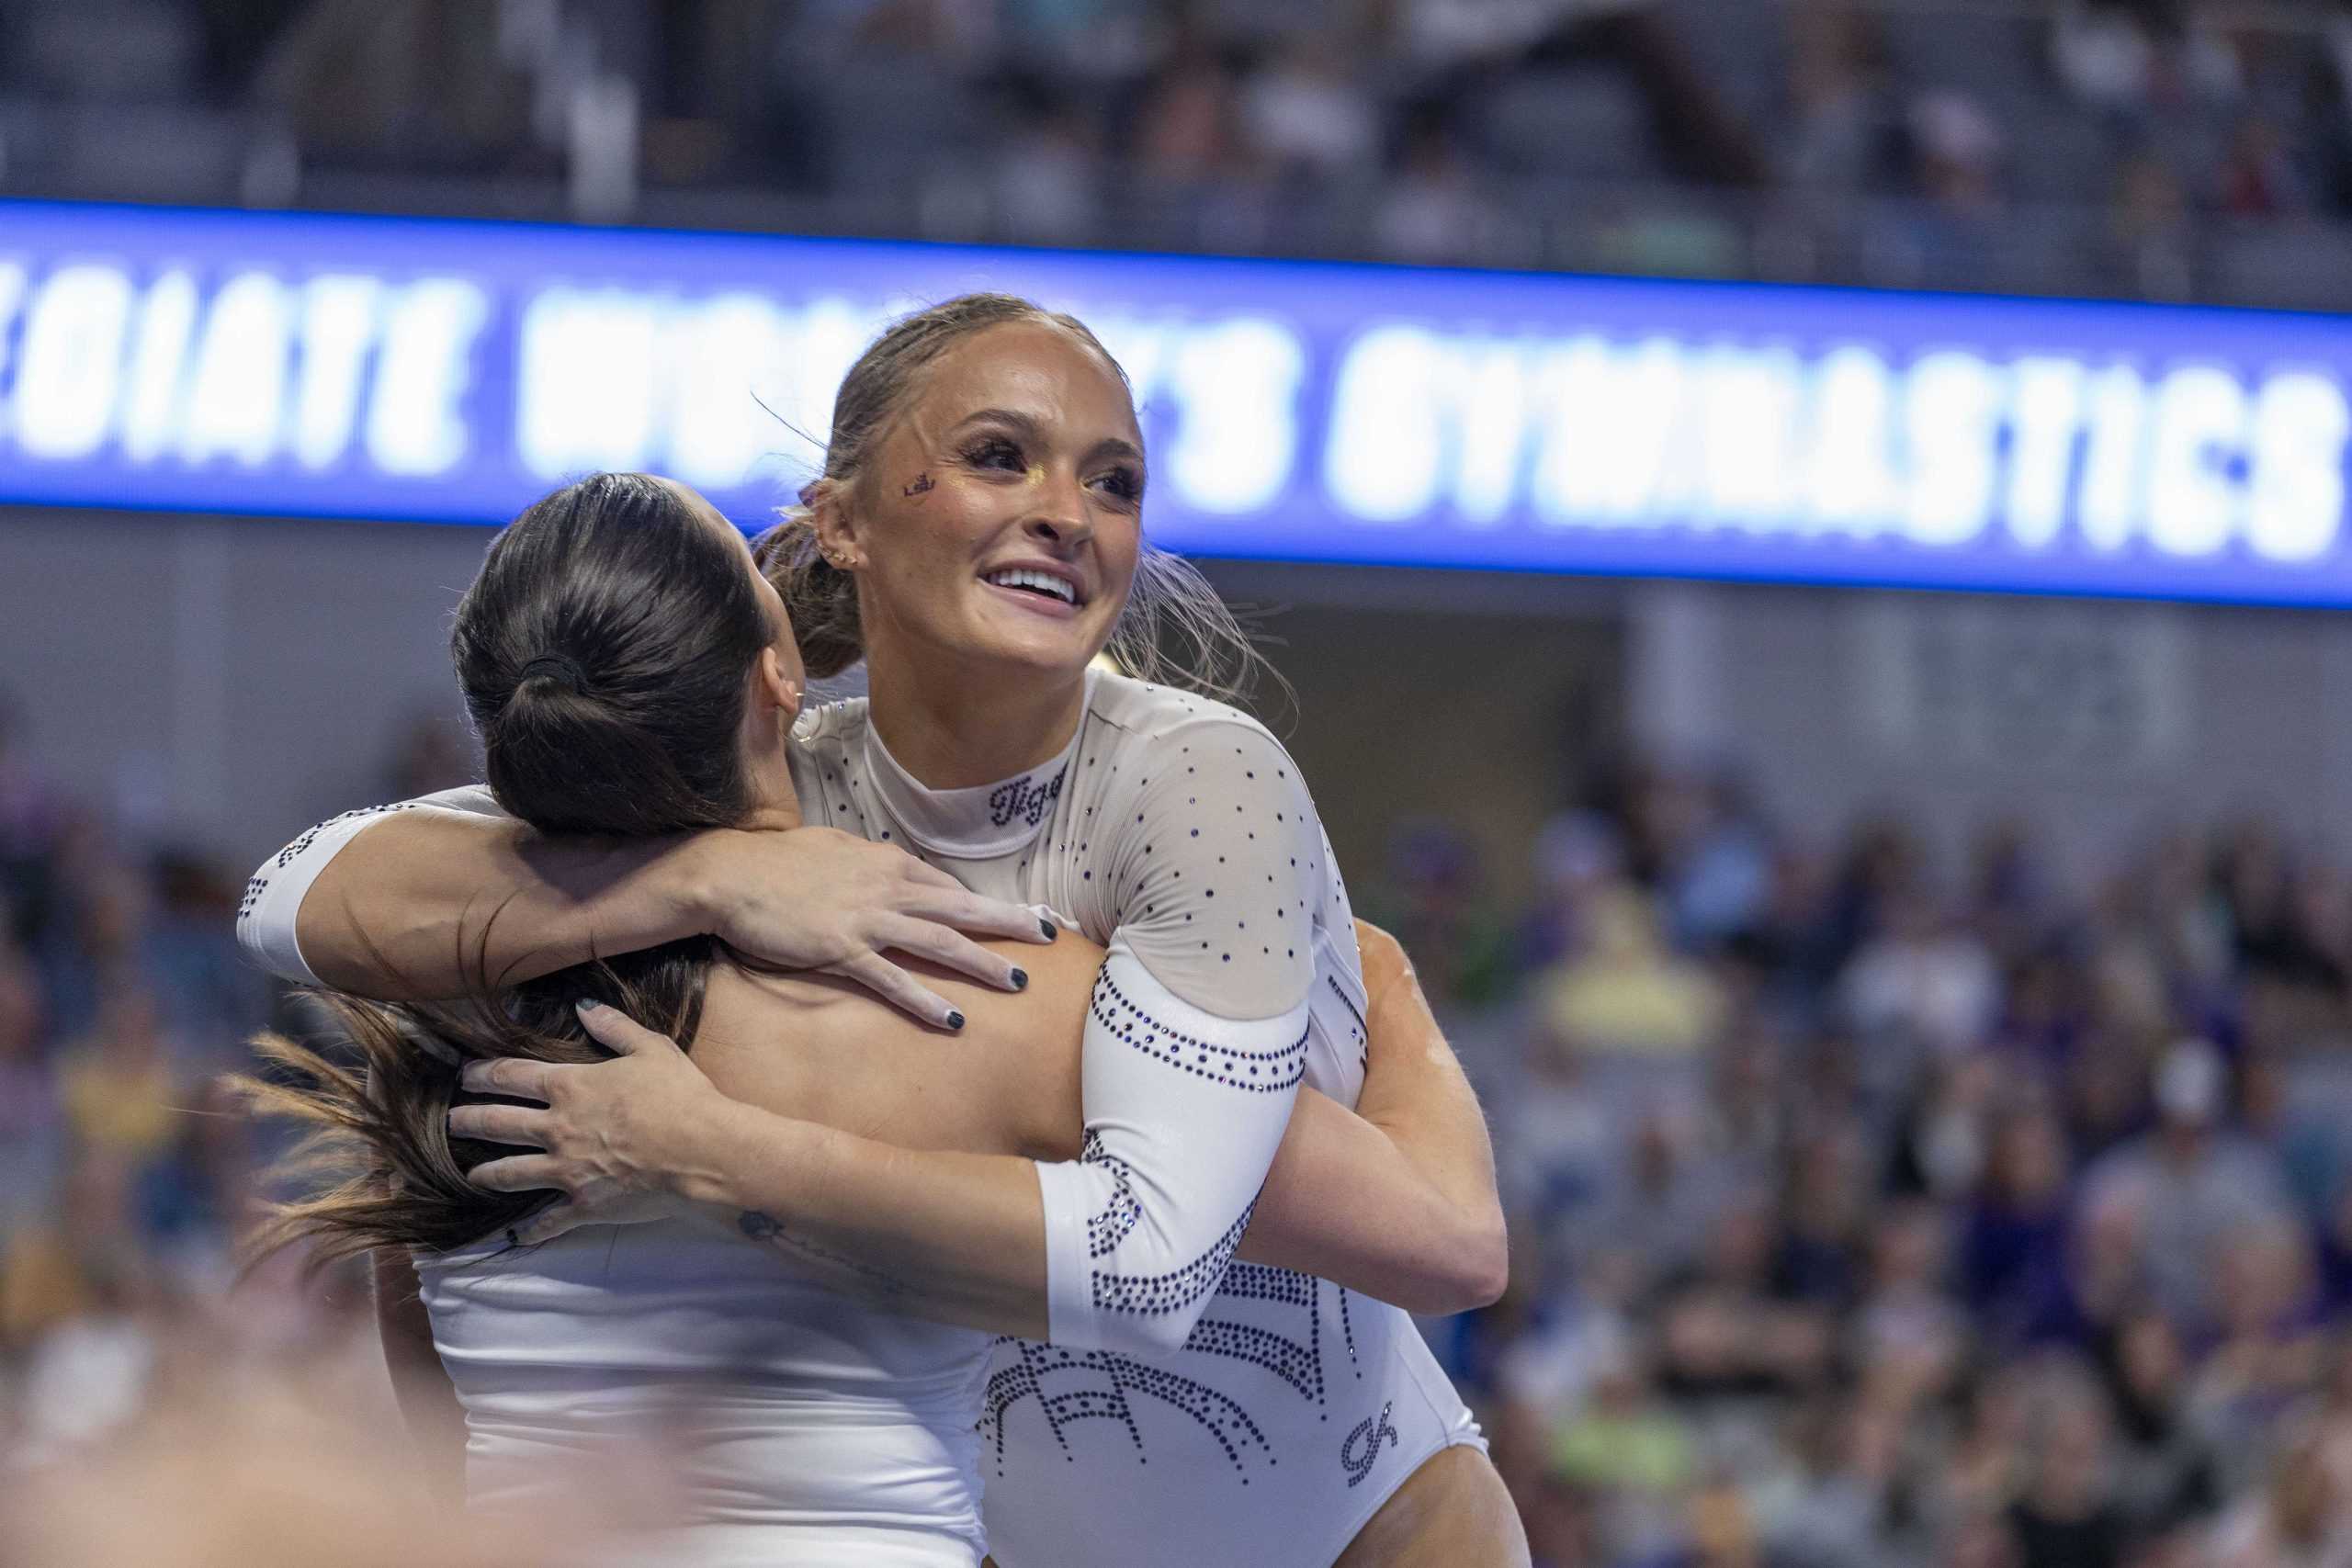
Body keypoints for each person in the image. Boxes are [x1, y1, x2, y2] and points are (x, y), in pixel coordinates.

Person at [237, 295, 1520, 1568]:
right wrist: (704, 890)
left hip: (1361, 1530)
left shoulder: (1189, 789)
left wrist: (721, 1150)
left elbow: (1435, 1243)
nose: (1067, 512)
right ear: (832, 533)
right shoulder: (779, 829)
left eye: (1115, 481)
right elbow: (290, 896)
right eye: (997, 454)